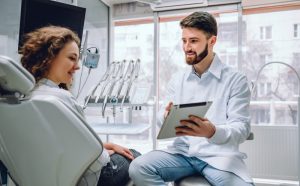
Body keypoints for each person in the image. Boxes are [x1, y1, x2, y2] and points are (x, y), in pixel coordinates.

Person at [129, 11, 253, 186]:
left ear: (212, 41)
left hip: (219, 157)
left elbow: (242, 128)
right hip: (183, 154)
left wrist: (212, 132)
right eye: (184, 40)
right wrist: (165, 116)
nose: (187, 47)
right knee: (138, 167)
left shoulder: (236, 80)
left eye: (193, 41)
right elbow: (160, 119)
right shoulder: (177, 79)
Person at [19, 25, 140, 186]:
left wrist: (105, 146)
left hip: (48, 177)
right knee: (136, 156)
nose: (77, 66)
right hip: (88, 179)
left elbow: (59, 144)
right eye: (71, 58)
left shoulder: (26, 97)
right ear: (49, 57)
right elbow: (97, 161)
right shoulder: (61, 99)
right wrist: (103, 152)